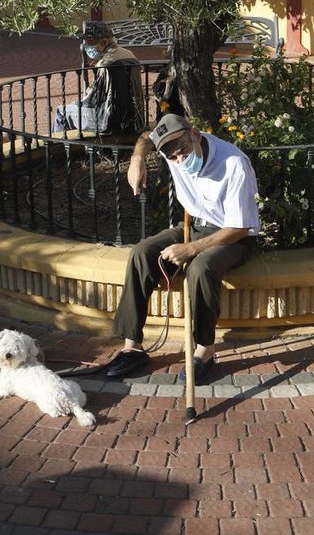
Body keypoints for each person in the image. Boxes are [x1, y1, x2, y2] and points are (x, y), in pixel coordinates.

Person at [104, 113, 260, 385]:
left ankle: (205, 350)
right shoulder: (171, 146)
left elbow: (240, 228)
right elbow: (145, 138)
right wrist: (137, 160)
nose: (179, 161)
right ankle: (132, 346)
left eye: (183, 152)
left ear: (196, 134)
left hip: (232, 235)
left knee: (201, 267)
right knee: (141, 253)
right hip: (192, 225)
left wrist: (190, 250)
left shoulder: (234, 164)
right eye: (172, 157)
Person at [53, 21, 145, 135]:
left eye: (90, 42)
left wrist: (77, 103)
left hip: (108, 121)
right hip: (135, 118)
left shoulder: (106, 63)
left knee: (62, 111)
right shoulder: (129, 54)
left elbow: (92, 99)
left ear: (104, 42)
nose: (87, 45)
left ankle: (60, 148)